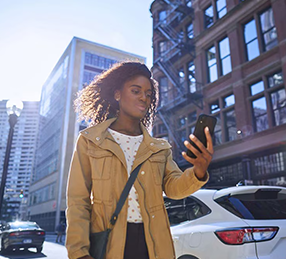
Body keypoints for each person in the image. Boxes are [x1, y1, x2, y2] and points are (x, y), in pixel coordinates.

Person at [66, 61, 214, 259]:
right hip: (109, 244)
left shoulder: (159, 148)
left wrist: (198, 171)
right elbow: (78, 201)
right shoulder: (90, 141)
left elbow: (174, 188)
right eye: (136, 91)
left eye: (148, 94)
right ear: (117, 94)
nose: (144, 97)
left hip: (152, 245)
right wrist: (78, 252)